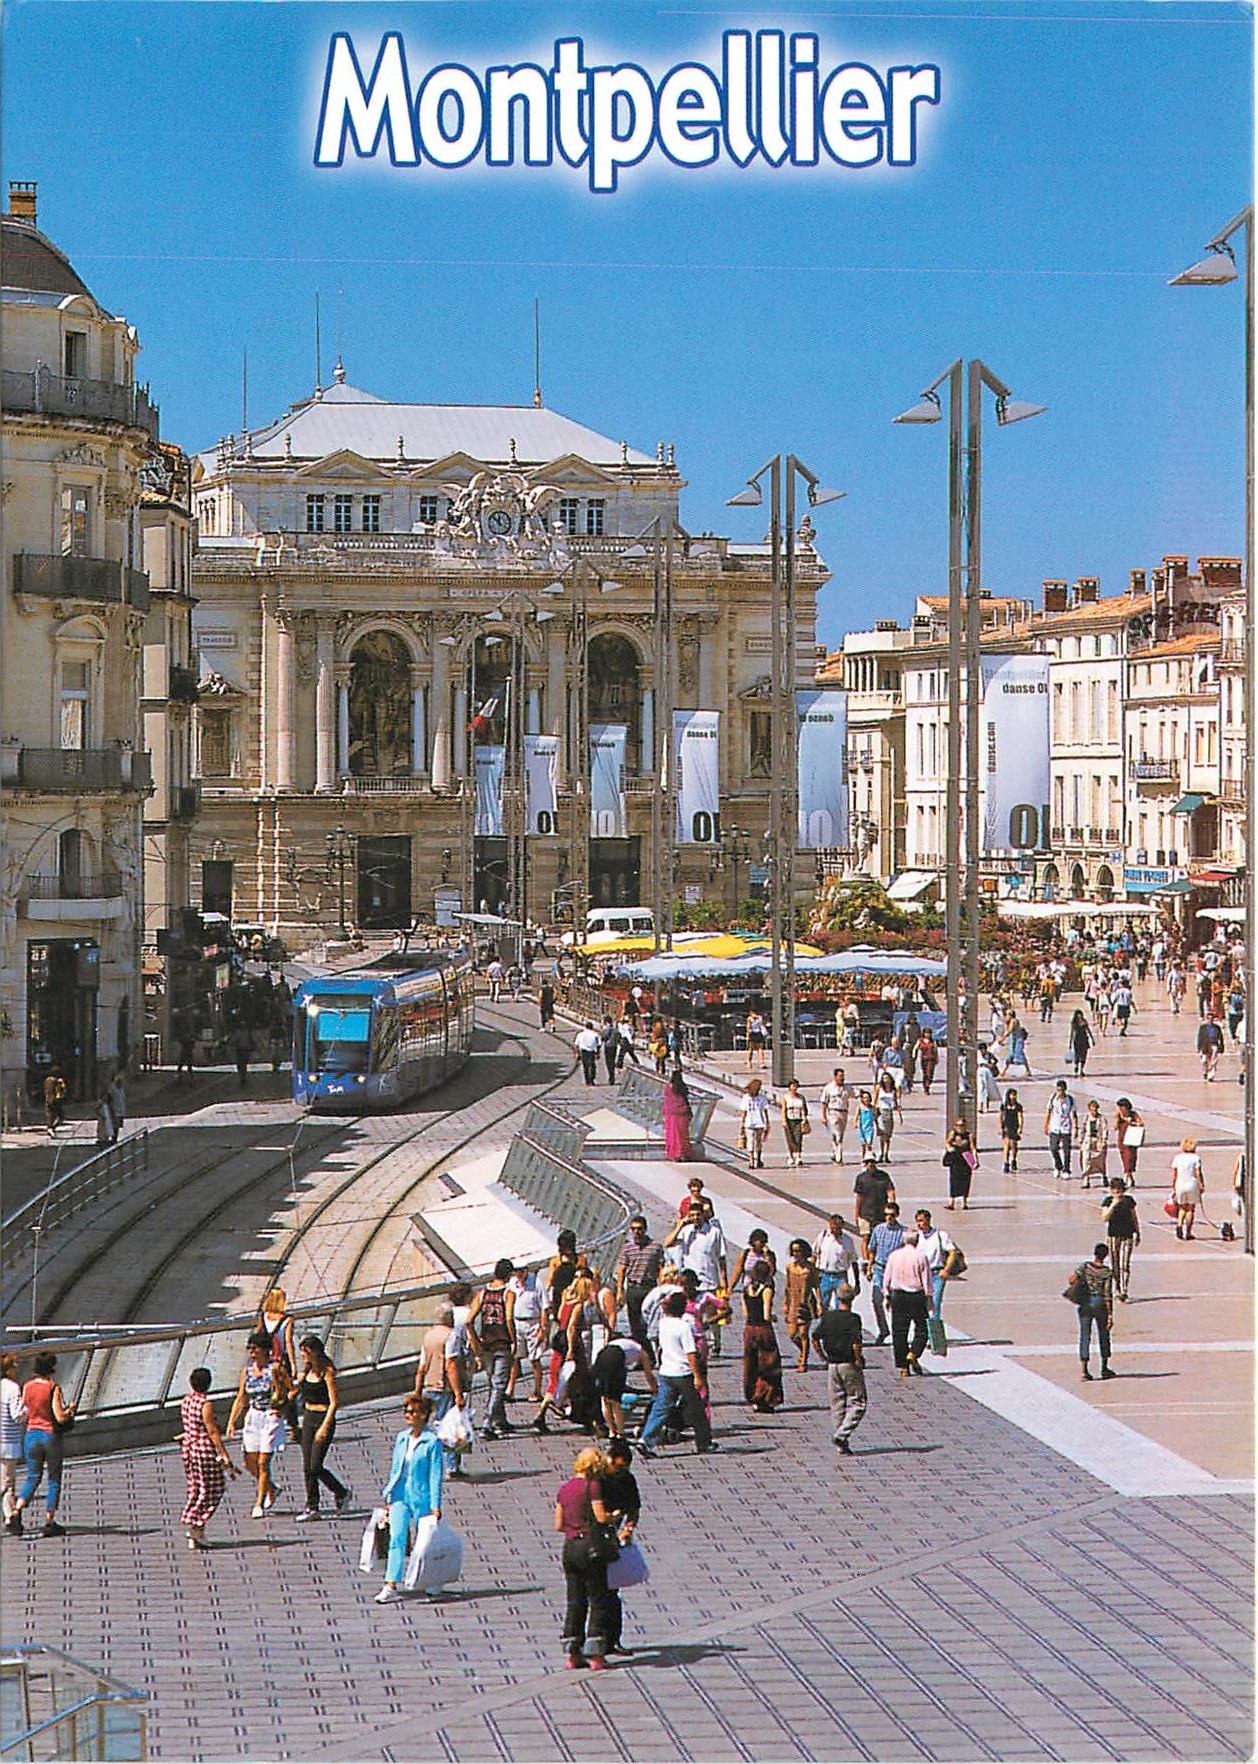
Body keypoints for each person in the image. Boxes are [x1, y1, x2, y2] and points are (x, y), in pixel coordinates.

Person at [376, 1394, 444, 1604]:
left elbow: (435, 1474)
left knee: (424, 1542)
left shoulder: (432, 1441)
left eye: (412, 1412)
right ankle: (390, 1584)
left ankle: (430, 1579)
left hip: (421, 1496)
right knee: (396, 1538)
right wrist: (389, 1493)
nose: (408, 1415)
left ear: (423, 1415)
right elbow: (396, 1467)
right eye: (406, 1411)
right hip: (400, 1495)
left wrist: (435, 1505)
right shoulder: (402, 1437)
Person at [554, 1446, 615, 1667]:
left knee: (575, 1600)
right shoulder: (593, 1486)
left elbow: (558, 1524)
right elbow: (600, 1516)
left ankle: (573, 1653)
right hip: (590, 1547)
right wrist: (612, 1517)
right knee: (598, 1598)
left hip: (570, 1547)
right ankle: (596, 1655)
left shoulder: (565, 1488)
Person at [637, 1290, 715, 1457]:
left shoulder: (663, 1323)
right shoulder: (683, 1327)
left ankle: (646, 1439)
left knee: (661, 1408)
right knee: (697, 1409)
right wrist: (697, 1376)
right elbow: (691, 1353)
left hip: (666, 1371)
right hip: (683, 1373)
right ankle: (704, 1442)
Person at [226, 1331, 291, 1518]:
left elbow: (292, 1390)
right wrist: (232, 1422)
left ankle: (259, 1503)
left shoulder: (276, 1369)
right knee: (249, 1461)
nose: (251, 1353)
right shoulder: (247, 1371)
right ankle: (271, 1488)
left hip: (270, 1417)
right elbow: (241, 1398)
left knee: (263, 1462)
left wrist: (281, 1406)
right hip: (253, 1417)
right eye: (250, 1349)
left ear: (265, 1350)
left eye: (255, 1349)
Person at [9, 1353, 74, 1536]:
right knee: (53, 1478)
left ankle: (16, 1511)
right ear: (52, 1368)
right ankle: (49, 1521)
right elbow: (59, 1417)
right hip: (49, 1436)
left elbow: (24, 1409)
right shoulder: (53, 1388)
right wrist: (70, 1410)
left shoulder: (27, 1387)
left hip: (31, 1435)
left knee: (32, 1476)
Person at [179, 1367, 238, 1549]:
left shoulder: (186, 1401)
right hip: (203, 1449)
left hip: (189, 1449)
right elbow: (211, 1430)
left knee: (196, 1487)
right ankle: (195, 1522)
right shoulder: (206, 1404)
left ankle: (196, 1532)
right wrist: (223, 1453)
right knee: (213, 1488)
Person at [295, 1336, 351, 1520]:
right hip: (308, 1417)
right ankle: (312, 1506)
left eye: (305, 1351)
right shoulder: (306, 1372)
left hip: (323, 1417)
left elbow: (334, 1402)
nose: (302, 1355)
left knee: (315, 1465)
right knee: (306, 1466)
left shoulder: (327, 1372)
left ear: (313, 1352)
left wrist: (325, 1426)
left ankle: (341, 1491)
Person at [466, 1259, 517, 1439]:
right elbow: (509, 1319)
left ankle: (499, 1420)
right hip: (502, 1342)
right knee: (499, 1384)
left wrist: (475, 1340)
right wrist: (513, 1340)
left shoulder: (482, 1293)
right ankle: (488, 1423)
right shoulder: (508, 1294)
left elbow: (468, 1320)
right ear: (509, 1275)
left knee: (493, 1382)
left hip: (486, 1342)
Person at [812, 1282, 866, 1453]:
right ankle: (841, 1435)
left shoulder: (828, 1317)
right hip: (848, 1363)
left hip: (832, 1364)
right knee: (858, 1402)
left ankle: (841, 1444)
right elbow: (856, 1343)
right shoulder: (853, 1318)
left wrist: (822, 1356)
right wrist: (858, 1360)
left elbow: (814, 1337)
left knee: (837, 1404)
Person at [600, 1438, 642, 1655]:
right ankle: (595, 1640)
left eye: (625, 1467)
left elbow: (634, 1509)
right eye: (619, 1466)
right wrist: (607, 1517)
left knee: (613, 1590)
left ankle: (613, 1639)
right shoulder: (598, 1478)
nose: (621, 1471)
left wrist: (628, 1528)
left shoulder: (627, 1479)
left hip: (615, 1537)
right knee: (597, 1592)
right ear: (610, 1459)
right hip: (595, 1536)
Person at [882, 1229, 932, 1377]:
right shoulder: (921, 1256)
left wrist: (886, 1295)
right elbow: (926, 1280)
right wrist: (929, 1298)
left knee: (899, 1331)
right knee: (922, 1328)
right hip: (916, 1296)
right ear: (916, 1241)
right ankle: (914, 1353)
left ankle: (903, 1366)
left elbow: (887, 1278)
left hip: (898, 1296)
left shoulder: (894, 1256)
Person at [592, 1336, 657, 1439]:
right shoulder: (642, 1353)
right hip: (615, 1357)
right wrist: (655, 1389)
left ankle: (611, 1431)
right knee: (615, 1401)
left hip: (602, 1355)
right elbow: (649, 1375)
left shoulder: (629, 1344)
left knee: (604, 1399)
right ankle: (621, 1432)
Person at [256, 1287, 299, 1443]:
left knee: (267, 1392)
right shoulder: (287, 1319)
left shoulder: (263, 1317)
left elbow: (258, 1336)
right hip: (281, 1362)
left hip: (266, 1361)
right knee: (287, 1394)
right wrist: (293, 1365)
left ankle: (267, 1425)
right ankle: (294, 1427)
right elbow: (288, 1342)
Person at [741, 1260, 784, 1413]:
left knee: (751, 1364)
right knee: (768, 1364)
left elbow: (746, 1314)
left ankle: (753, 1397)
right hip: (763, 1330)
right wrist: (773, 1317)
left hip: (749, 1329)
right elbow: (766, 1315)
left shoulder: (746, 1290)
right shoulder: (766, 1290)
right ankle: (766, 1397)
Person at [615, 1217, 664, 1346]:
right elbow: (621, 1270)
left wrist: (662, 1288)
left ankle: (650, 1350)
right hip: (633, 1288)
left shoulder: (655, 1247)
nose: (636, 1232)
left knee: (648, 1321)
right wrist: (620, 1291)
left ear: (645, 1229)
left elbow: (660, 1268)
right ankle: (640, 1352)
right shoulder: (627, 1248)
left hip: (649, 1288)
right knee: (635, 1323)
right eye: (634, 1229)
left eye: (639, 1229)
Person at [864, 1201, 906, 1346]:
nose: (889, 1218)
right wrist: (870, 1267)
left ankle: (897, 1332)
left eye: (892, 1215)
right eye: (887, 1215)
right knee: (876, 1300)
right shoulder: (878, 1229)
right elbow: (872, 1249)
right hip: (880, 1269)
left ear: (897, 1215)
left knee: (895, 1303)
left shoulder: (903, 1232)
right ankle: (883, 1329)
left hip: (895, 1271)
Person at [1073, 1243, 1116, 1381]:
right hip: (1099, 1303)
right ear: (1106, 1255)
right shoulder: (1107, 1272)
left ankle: (1084, 1370)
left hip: (1085, 1302)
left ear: (1094, 1253)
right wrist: (1110, 1315)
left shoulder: (1085, 1266)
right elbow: (1107, 1294)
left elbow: (1071, 1279)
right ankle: (1104, 1368)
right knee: (1103, 1335)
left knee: (1085, 1335)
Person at [914, 1208, 960, 1334]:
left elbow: (952, 1251)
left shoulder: (940, 1235)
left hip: (936, 1274)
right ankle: (922, 1333)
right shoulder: (916, 1236)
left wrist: (946, 1270)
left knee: (934, 1304)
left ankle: (934, 1335)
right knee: (920, 1306)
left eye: (922, 1221)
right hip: (920, 1275)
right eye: (917, 1221)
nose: (919, 1224)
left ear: (928, 1220)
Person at [783, 1239, 821, 1372]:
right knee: (792, 1334)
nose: (795, 1253)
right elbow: (787, 1286)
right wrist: (785, 1304)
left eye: (798, 1251)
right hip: (793, 1301)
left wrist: (820, 1304)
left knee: (803, 1333)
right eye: (793, 1251)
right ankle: (802, 1351)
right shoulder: (790, 1267)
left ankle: (804, 1360)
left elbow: (816, 1286)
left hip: (806, 1302)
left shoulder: (810, 1268)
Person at [1101, 1180, 1140, 1300]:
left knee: (1124, 1263)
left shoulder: (1129, 1201)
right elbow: (1104, 1217)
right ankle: (1116, 1288)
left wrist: (1138, 1232)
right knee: (1114, 1264)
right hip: (1113, 1236)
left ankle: (1124, 1289)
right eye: (1114, 1189)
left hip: (1127, 1235)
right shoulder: (1107, 1201)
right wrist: (1113, 1204)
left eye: (1119, 1189)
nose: (1116, 1191)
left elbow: (1134, 1216)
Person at [812, 1215, 861, 1309]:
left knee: (842, 1305)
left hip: (840, 1276)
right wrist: (813, 1275)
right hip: (824, 1275)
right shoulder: (823, 1237)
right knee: (822, 1305)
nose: (835, 1231)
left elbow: (854, 1261)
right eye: (833, 1228)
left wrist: (857, 1282)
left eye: (838, 1228)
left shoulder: (847, 1241)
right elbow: (814, 1255)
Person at [0, 1354, 25, 1531]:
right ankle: (10, 1518)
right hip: (9, 1441)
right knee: (8, 1483)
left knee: (4, 1481)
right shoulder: (13, 1388)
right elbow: (17, 1415)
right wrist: (29, 1408)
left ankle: (9, 1514)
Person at [853, 1155, 896, 1245]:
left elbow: (890, 1191)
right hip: (865, 1213)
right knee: (866, 1237)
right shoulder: (861, 1178)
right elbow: (858, 1196)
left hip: (880, 1213)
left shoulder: (884, 1176)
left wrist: (892, 1206)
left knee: (881, 1237)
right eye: (868, 1162)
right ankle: (866, 1259)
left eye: (872, 1162)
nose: (870, 1164)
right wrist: (856, 1214)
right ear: (865, 1164)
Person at [1170, 1136, 1205, 1240]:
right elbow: (1198, 1172)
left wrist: (1174, 1186)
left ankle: (1179, 1224)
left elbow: (1175, 1173)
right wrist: (1201, 1184)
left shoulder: (1177, 1158)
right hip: (1192, 1183)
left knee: (1182, 1207)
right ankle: (1188, 1232)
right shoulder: (1196, 1158)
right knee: (1190, 1208)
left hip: (1180, 1184)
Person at [1044, 1080, 1078, 1179]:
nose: (1060, 1092)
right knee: (1053, 1148)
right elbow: (1048, 1111)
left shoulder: (1070, 1099)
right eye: (1058, 1090)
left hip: (1066, 1127)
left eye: (1062, 1090)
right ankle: (1058, 1166)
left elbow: (1074, 1115)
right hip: (1055, 1126)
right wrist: (1046, 1124)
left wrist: (1075, 1128)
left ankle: (1066, 1169)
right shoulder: (1053, 1098)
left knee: (1066, 1150)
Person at [819, 1067, 852, 1164]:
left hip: (844, 1112)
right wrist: (824, 1116)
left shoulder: (847, 1087)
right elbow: (824, 1102)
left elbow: (854, 1094)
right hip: (833, 1112)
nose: (842, 1078)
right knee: (837, 1134)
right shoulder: (828, 1088)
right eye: (840, 1076)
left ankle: (835, 1150)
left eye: (843, 1076)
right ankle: (839, 1155)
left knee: (840, 1134)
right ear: (835, 1076)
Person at [941, 1120, 977, 1210]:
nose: (960, 1127)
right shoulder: (953, 1134)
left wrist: (975, 1160)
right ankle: (951, 1203)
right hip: (955, 1160)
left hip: (965, 1160)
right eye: (958, 1125)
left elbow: (973, 1148)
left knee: (966, 1181)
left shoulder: (969, 1135)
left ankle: (964, 1203)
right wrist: (949, 1148)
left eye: (962, 1125)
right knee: (953, 1180)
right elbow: (947, 1142)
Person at [739, 1078, 772, 1169]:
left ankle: (755, 1159)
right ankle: (753, 1159)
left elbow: (765, 1111)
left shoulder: (758, 1098)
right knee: (754, 1142)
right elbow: (745, 1112)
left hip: (755, 1122)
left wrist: (767, 1123)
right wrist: (767, 1123)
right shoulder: (750, 1098)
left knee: (755, 1142)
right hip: (753, 1122)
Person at [662, 1070, 694, 1161]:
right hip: (682, 1113)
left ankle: (674, 1154)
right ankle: (685, 1153)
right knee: (683, 1135)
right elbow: (685, 1098)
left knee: (672, 1135)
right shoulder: (682, 1087)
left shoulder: (668, 1087)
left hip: (671, 1113)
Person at [780, 1078, 810, 1168]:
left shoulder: (801, 1097)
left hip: (798, 1119)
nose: (794, 1088)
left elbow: (805, 1109)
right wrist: (783, 1120)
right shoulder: (786, 1097)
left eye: (796, 1086)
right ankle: (790, 1155)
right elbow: (783, 1109)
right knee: (790, 1138)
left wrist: (804, 1118)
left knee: (798, 1138)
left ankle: (798, 1156)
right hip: (789, 1119)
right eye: (793, 1086)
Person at [1079, 1099, 1109, 1188]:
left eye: (1095, 1109)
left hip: (1098, 1141)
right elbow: (1083, 1129)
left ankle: (1103, 1176)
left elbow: (1104, 1130)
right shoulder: (1087, 1118)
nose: (1094, 1112)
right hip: (1088, 1141)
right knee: (1086, 1160)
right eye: (1092, 1110)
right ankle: (1086, 1179)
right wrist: (1081, 1140)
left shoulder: (1102, 1118)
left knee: (1100, 1161)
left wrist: (1104, 1140)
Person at [1114, 1098, 1143, 1185]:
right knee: (1125, 1159)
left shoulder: (1133, 1114)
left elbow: (1140, 1123)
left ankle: (1125, 1178)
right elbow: (1115, 1127)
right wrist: (1117, 1117)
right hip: (1122, 1140)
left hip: (1131, 1139)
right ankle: (1129, 1177)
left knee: (1130, 1158)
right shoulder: (1119, 1116)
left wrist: (1131, 1122)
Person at [874, 1071, 898, 1159]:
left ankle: (886, 1154)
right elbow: (875, 1100)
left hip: (889, 1112)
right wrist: (874, 1111)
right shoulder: (879, 1088)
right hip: (881, 1111)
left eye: (887, 1078)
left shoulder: (893, 1089)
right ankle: (881, 1153)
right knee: (882, 1134)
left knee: (888, 1135)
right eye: (884, 1078)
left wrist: (897, 1107)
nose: (886, 1080)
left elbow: (895, 1101)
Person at [1000, 1088, 1024, 1173]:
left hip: (1014, 1126)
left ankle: (1013, 1159)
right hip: (1006, 1126)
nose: (1013, 1097)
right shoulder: (1004, 1106)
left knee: (1014, 1145)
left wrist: (1020, 1127)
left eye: (1015, 1095)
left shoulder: (1018, 1106)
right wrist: (1000, 1127)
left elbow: (1020, 1117)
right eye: (1012, 1095)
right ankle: (1006, 1162)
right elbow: (1001, 1116)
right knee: (1006, 1145)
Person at [1197, 1015, 1224, 1081]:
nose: (1210, 1020)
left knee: (1213, 1061)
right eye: (1208, 1018)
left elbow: (1221, 1038)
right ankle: (1205, 1071)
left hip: (1214, 1045)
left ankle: (1211, 1075)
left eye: (1211, 1019)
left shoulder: (1217, 1027)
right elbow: (1199, 1037)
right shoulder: (1203, 1027)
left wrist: (1222, 1047)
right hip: (1205, 1046)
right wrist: (1199, 1047)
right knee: (1204, 1060)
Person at [1068, 1009, 1095, 1077]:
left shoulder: (1084, 1022)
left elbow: (1088, 1030)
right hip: (1077, 1040)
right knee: (1077, 1054)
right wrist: (1070, 1042)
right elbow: (1072, 1033)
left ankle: (1082, 1070)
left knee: (1084, 1055)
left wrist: (1092, 1039)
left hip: (1084, 1039)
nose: (1079, 1016)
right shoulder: (1074, 1023)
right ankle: (1076, 1066)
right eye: (1078, 1014)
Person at [575, 1022, 601, 1086]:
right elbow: (598, 1044)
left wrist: (577, 1053)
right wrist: (598, 1052)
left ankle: (587, 1080)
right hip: (592, 1051)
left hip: (583, 1051)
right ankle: (592, 1079)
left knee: (585, 1066)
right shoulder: (595, 1034)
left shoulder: (580, 1034)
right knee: (592, 1065)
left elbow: (577, 1044)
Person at [43, 1067, 66, 1136]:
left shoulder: (47, 1080)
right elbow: (62, 1089)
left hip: (48, 1099)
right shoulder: (57, 1081)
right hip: (56, 1100)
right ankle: (52, 1127)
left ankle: (50, 1127)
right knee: (61, 1116)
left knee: (50, 1114)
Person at [855, 1089, 876, 1159]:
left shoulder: (872, 1108)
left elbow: (875, 1118)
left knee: (869, 1144)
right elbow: (856, 1116)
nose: (866, 1099)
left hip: (870, 1128)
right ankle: (863, 1158)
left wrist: (878, 1127)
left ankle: (869, 1158)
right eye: (864, 1098)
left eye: (867, 1097)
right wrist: (855, 1123)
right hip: (862, 1128)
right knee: (863, 1145)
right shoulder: (860, 1107)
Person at [917, 1027, 938, 1095]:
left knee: (930, 1074)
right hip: (924, 1059)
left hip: (931, 1059)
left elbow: (935, 1049)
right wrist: (914, 1054)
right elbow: (916, 1047)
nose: (927, 1034)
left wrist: (937, 1058)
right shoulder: (920, 1040)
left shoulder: (933, 1041)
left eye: (929, 1033)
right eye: (926, 1033)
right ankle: (926, 1087)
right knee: (925, 1073)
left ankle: (928, 1084)